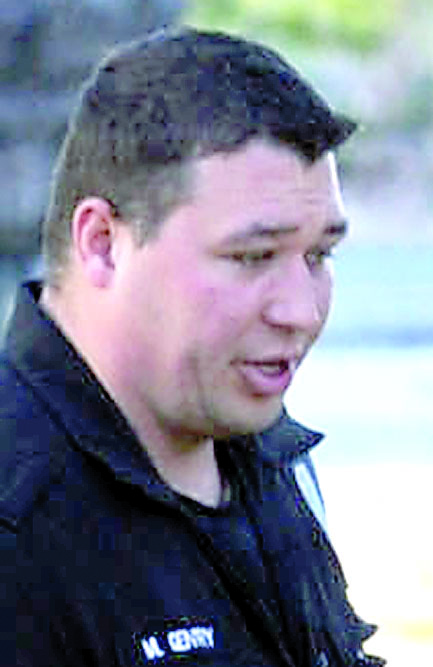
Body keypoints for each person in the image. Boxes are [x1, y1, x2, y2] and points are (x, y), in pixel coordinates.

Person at [0, 26, 385, 667]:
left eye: (319, 255)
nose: (301, 311)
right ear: (102, 243)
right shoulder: (19, 528)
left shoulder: (260, 448)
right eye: (252, 256)